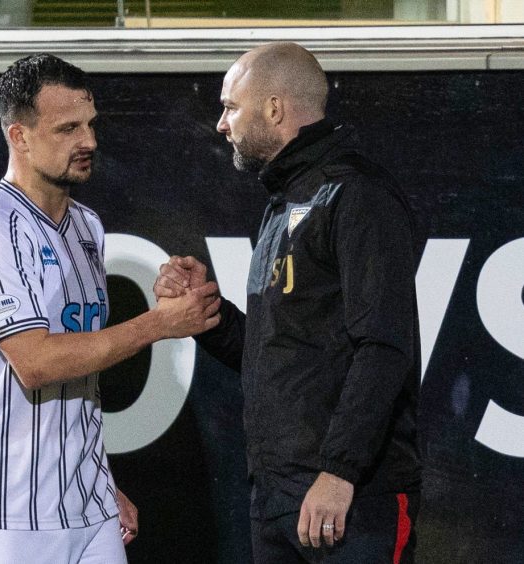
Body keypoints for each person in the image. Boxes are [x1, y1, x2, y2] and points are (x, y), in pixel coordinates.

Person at [0, 53, 220, 564]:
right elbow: (36, 363)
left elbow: (80, 379)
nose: (88, 141)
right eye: (67, 128)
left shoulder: (88, 227)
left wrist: (99, 478)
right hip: (0, 515)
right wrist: (159, 323)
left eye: (90, 125)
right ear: (19, 136)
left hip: (86, 509)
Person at [154, 42, 421, 563]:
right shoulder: (285, 203)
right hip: (279, 499)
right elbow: (278, 354)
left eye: (231, 106)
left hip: (351, 503)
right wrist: (208, 312)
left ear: (274, 109)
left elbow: (385, 347)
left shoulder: (357, 195)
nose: (220, 124)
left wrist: (339, 473)